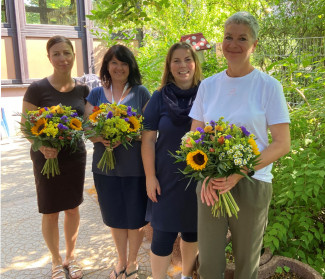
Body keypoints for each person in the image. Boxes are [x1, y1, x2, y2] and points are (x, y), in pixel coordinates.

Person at [189, 11, 291, 279]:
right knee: (209, 264)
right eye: (228, 37)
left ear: (254, 45)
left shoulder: (269, 87)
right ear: (221, 42)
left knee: (247, 265)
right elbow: (194, 138)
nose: (233, 44)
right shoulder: (208, 86)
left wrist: (238, 173)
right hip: (210, 182)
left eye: (242, 38)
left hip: (253, 181)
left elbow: (282, 144)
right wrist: (208, 174)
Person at [21, 36, 89, 279]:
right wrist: (41, 147)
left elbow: (89, 124)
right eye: (57, 53)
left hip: (74, 157)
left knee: (72, 208)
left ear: (73, 55)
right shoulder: (37, 88)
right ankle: (56, 260)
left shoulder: (83, 88)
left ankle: (71, 256)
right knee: (50, 210)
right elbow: (26, 127)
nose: (63, 58)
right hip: (45, 157)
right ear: (49, 57)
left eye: (67, 53)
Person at [85, 44, 151, 279]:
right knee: (114, 217)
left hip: (135, 166)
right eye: (114, 62)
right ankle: (121, 259)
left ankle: (132, 261)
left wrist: (127, 134)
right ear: (107, 66)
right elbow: (86, 127)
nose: (119, 67)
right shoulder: (96, 93)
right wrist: (101, 137)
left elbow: (149, 130)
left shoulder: (141, 92)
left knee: (135, 217)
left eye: (124, 63)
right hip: (105, 167)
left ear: (130, 66)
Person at [141, 42, 203, 279]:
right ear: (169, 65)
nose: (183, 65)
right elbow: (147, 140)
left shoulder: (206, 93)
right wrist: (150, 176)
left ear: (195, 63)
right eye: (176, 60)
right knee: (163, 235)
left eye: (187, 59)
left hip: (197, 176)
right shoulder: (159, 97)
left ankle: (186, 275)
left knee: (192, 232)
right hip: (165, 177)